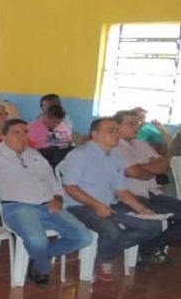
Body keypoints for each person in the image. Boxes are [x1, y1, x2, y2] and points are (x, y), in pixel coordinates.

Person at [0, 119, 93, 284]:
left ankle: (38, 256)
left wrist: (58, 198)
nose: (22, 137)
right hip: (18, 208)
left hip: (49, 205)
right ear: (3, 136)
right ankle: (42, 267)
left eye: (25, 133)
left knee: (84, 237)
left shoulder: (34, 154)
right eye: (16, 133)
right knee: (37, 240)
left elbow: (52, 181)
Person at [61, 117, 163, 281]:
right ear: (95, 134)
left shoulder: (115, 159)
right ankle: (104, 259)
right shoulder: (80, 154)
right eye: (111, 130)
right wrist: (96, 205)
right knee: (112, 230)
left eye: (117, 130)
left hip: (110, 205)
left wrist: (142, 209)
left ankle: (102, 252)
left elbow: (122, 191)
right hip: (81, 206)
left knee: (153, 226)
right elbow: (71, 188)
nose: (116, 134)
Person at [113, 109, 181, 264]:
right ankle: (150, 247)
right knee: (153, 223)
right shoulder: (115, 147)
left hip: (153, 192)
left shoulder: (141, 144)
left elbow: (164, 166)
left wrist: (142, 168)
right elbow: (134, 172)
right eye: (130, 124)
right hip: (130, 195)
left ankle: (148, 246)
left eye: (137, 123)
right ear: (117, 127)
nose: (136, 127)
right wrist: (148, 167)